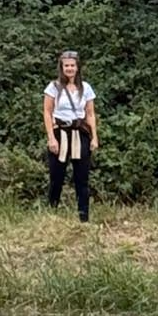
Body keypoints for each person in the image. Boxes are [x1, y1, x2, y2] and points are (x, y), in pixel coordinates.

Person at [44, 49, 98, 222]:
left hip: (80, 133)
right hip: (60, 132)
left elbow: (90, 114)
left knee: (82, 177)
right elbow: (47, 112)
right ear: (62, 67)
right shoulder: (53, 87)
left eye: (72, 65)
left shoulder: (86, 88)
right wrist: (51, 137)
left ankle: (84, 218)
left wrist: (94, 137)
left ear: (77, 67)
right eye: (66, 65)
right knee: (56, 176)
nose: (69, 68)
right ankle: (51, 214)